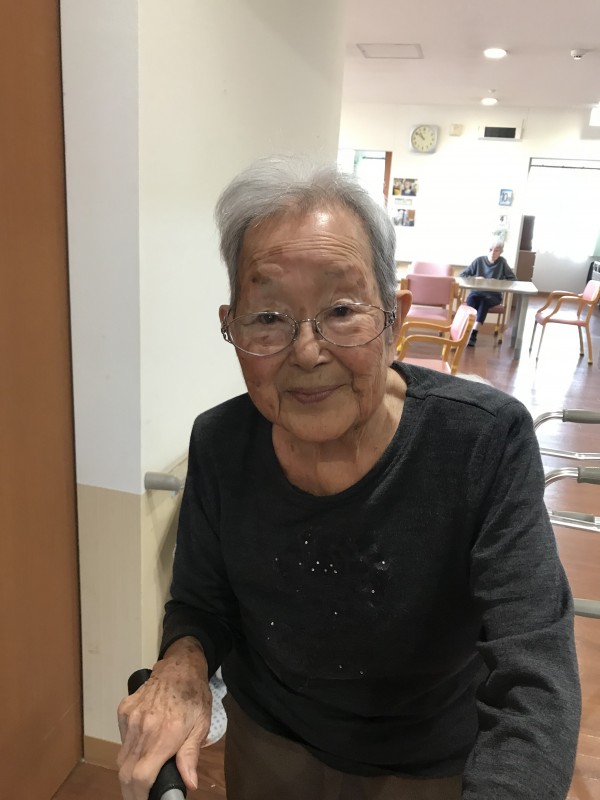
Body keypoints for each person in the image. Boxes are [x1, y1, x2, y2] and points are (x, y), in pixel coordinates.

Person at [117, 157, 581, 800]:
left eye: (341, 309)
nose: (307, 352)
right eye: (268, 318)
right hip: (270, 745)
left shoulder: (482, 441)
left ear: (393, 317)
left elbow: (535, 671)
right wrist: (183, 666)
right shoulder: (221, 443)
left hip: (432, 765)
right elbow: (202, 602)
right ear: (232, 327)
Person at [459, 241, 516, 346]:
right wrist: (475, 278)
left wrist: (498, 282)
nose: (493, 252)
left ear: (501, 252)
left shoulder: (502, 262)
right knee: (472, 300)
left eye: (496, 250)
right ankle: (467, 331)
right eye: (491, 249)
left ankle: (473, 333)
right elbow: (462, 275)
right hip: (477, 293)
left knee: (484, 302)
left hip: (493, 295)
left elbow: (513, 279)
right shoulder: (479, 260)